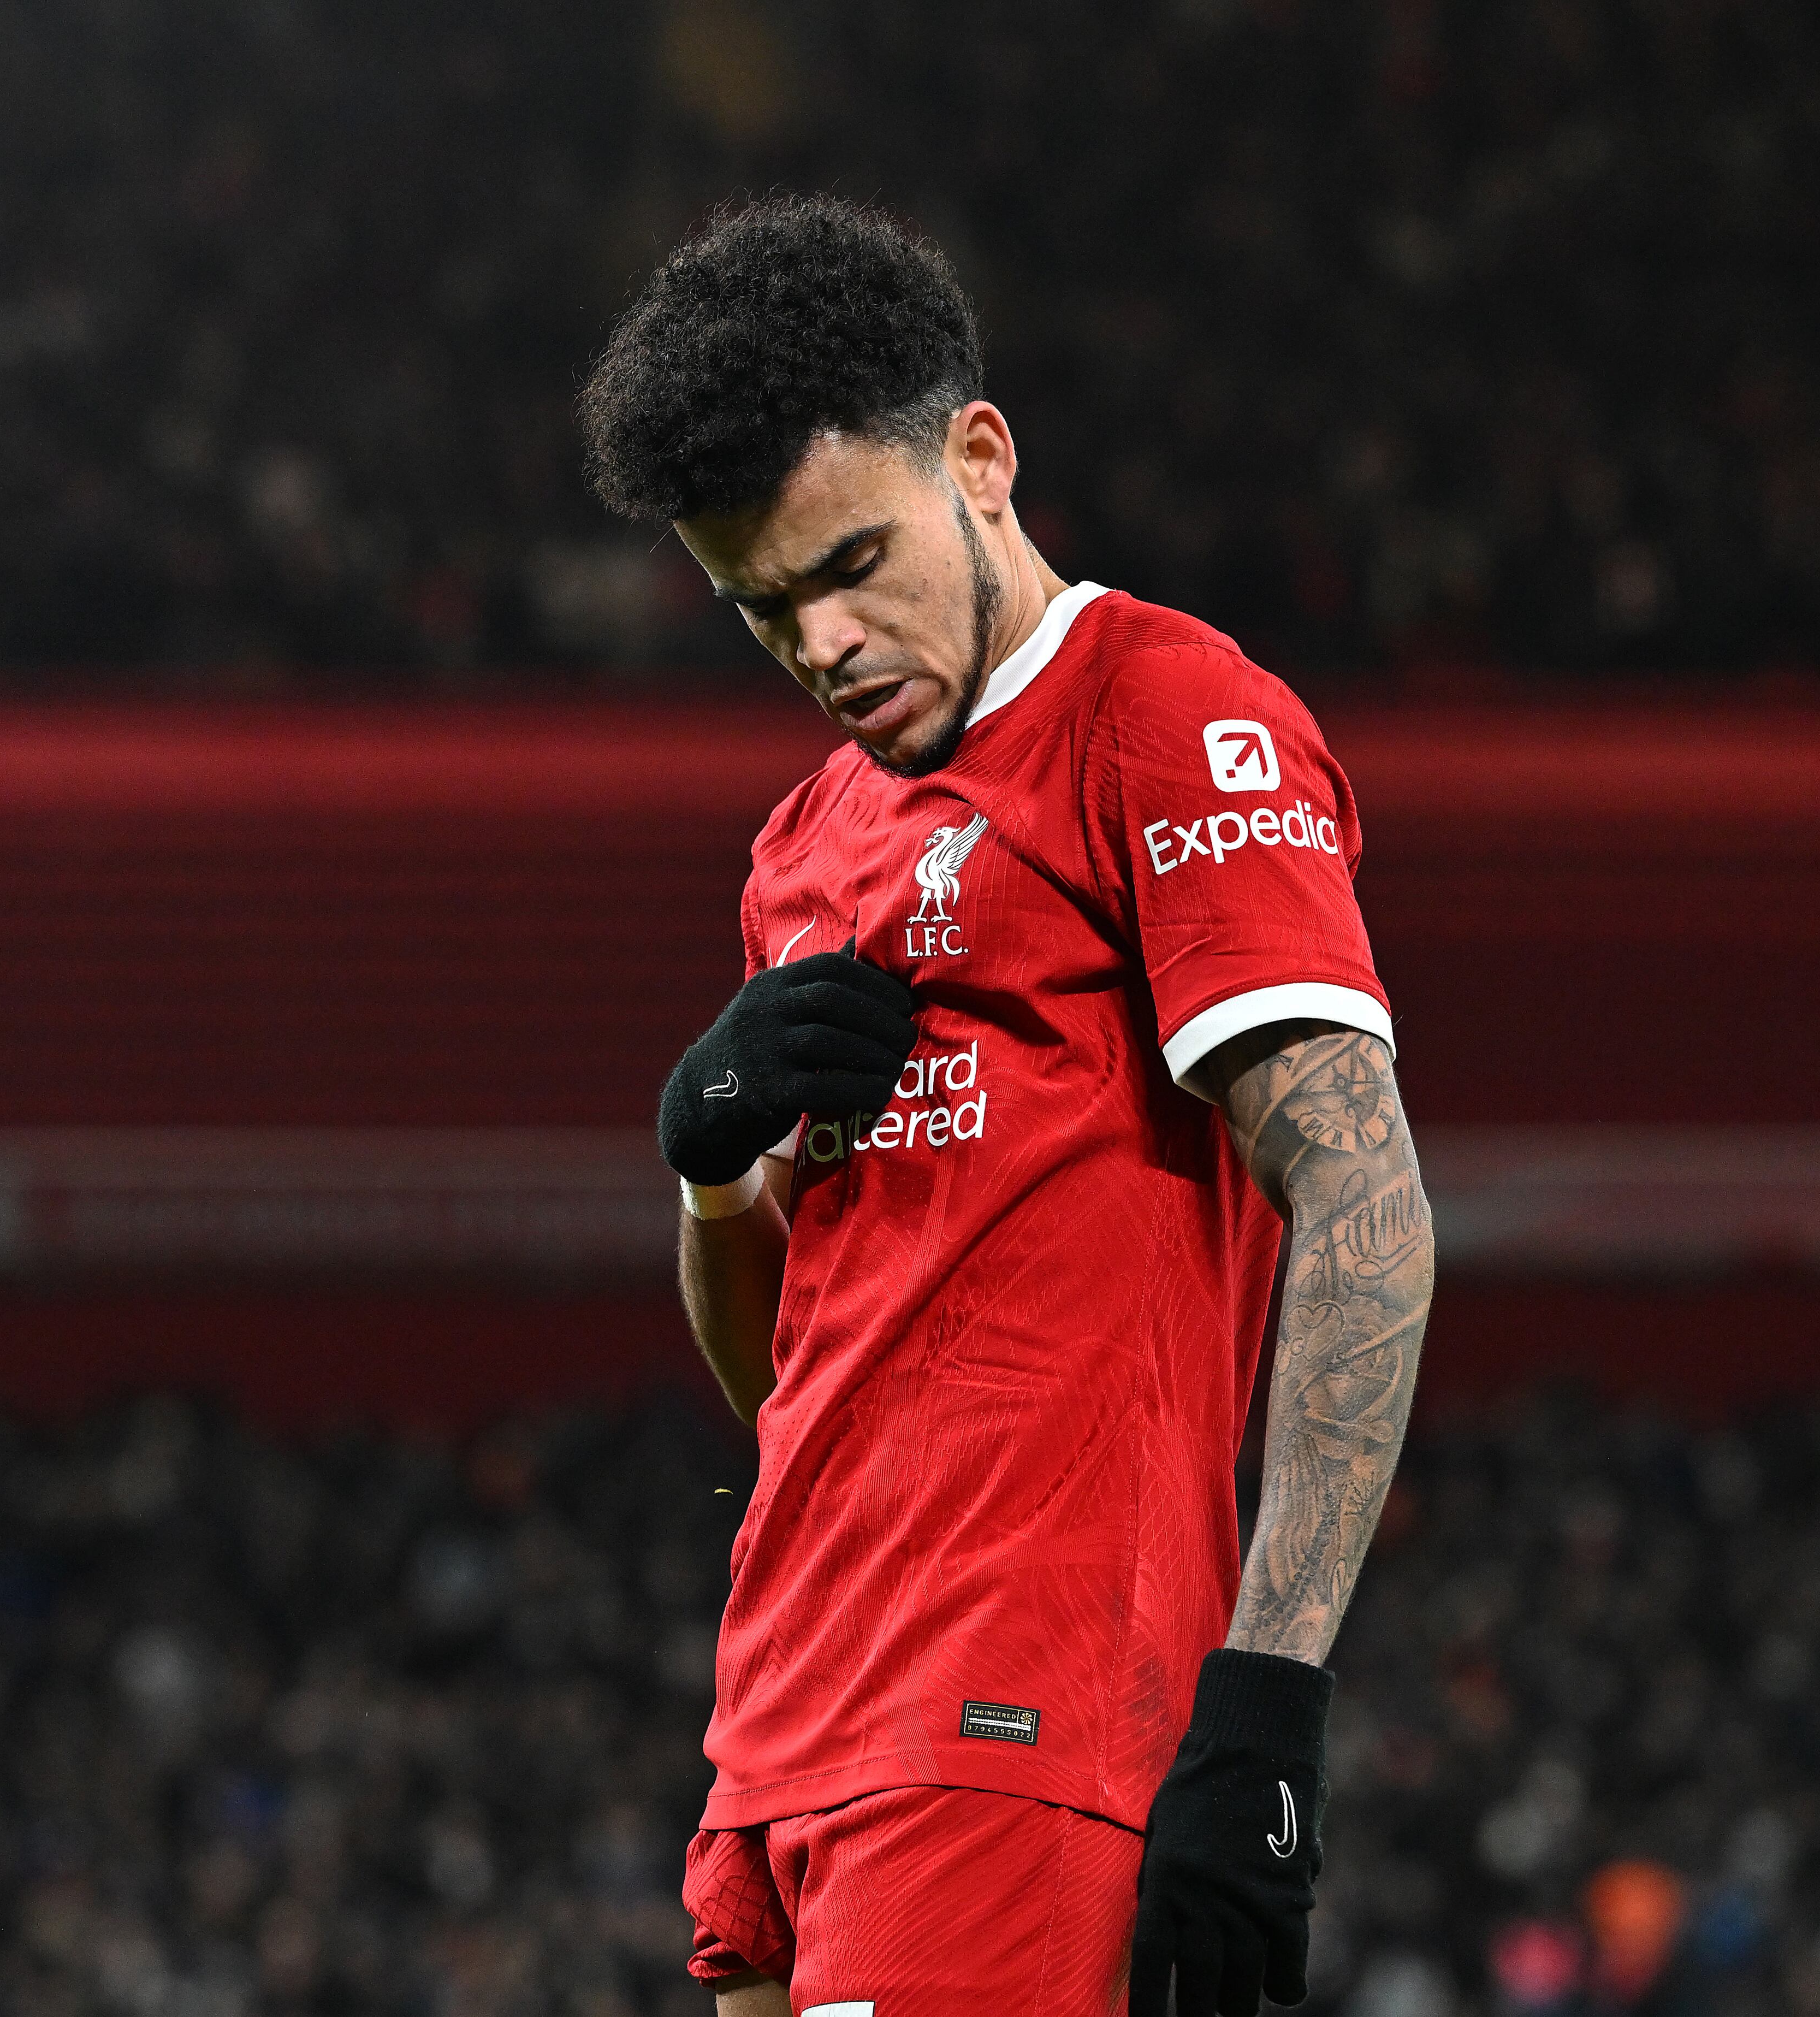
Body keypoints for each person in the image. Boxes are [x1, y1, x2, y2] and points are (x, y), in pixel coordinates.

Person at [577, 196, 1436, 2017]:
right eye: (761, 610)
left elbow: (1367, 1204)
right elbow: (794, 1367)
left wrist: (1268, 1697)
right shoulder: (806, 846)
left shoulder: (1166, 714)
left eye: (847, 566)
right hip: (786, 1713)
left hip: (1016, 1716)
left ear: (979, 460)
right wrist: (714, 1179)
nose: (820, 644)